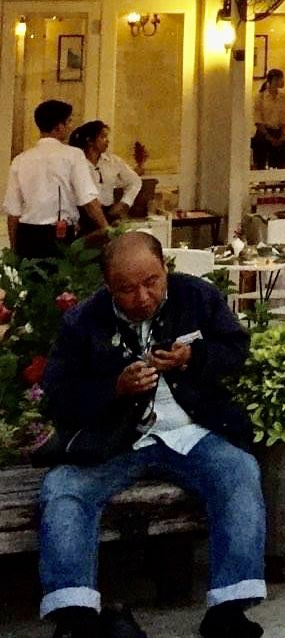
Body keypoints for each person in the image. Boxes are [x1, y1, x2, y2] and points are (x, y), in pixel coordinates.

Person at [36, 231, 266, 638]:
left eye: (151, 282)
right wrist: (115, 388)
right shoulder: (82, 322)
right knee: (64, 488)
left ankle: (229, 609)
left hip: (190, 430)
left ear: (165, 269)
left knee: (239, 472)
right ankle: (76, 616)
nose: (142, 296)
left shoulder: (197, 297)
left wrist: (194, 358)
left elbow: (235, 349)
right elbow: (57, 397)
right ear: (108, 287)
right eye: (126, 289)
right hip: (115, 441)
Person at [4, 101, 107, 260]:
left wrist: (14, 249)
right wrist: (106, 229)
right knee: (62, 281)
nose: (71, 126)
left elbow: (13, 212)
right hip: (60, 236)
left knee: (31, 282)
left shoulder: (20, 160)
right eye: (69, 121)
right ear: (59, 126)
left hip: (28, 236)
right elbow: (88, 200)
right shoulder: (73, 155)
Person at [67, 122, 143, 223]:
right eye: (103, 137)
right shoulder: (76, 162)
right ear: (90, 140)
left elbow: (135, 181)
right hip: (83, 216)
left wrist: (125, 202)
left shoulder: (113, 161)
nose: (107, 141)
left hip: (109, 213)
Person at [250, 69, 285, 170]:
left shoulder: (283, 97)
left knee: (279, 165)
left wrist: (282, 135)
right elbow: (258, 119)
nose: (283, 81)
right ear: (274, 80)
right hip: (264, 134)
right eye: (281, 79)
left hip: (278, 133)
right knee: (261, 164)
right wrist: (269, 137)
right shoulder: (261, 97)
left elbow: (284, 117)